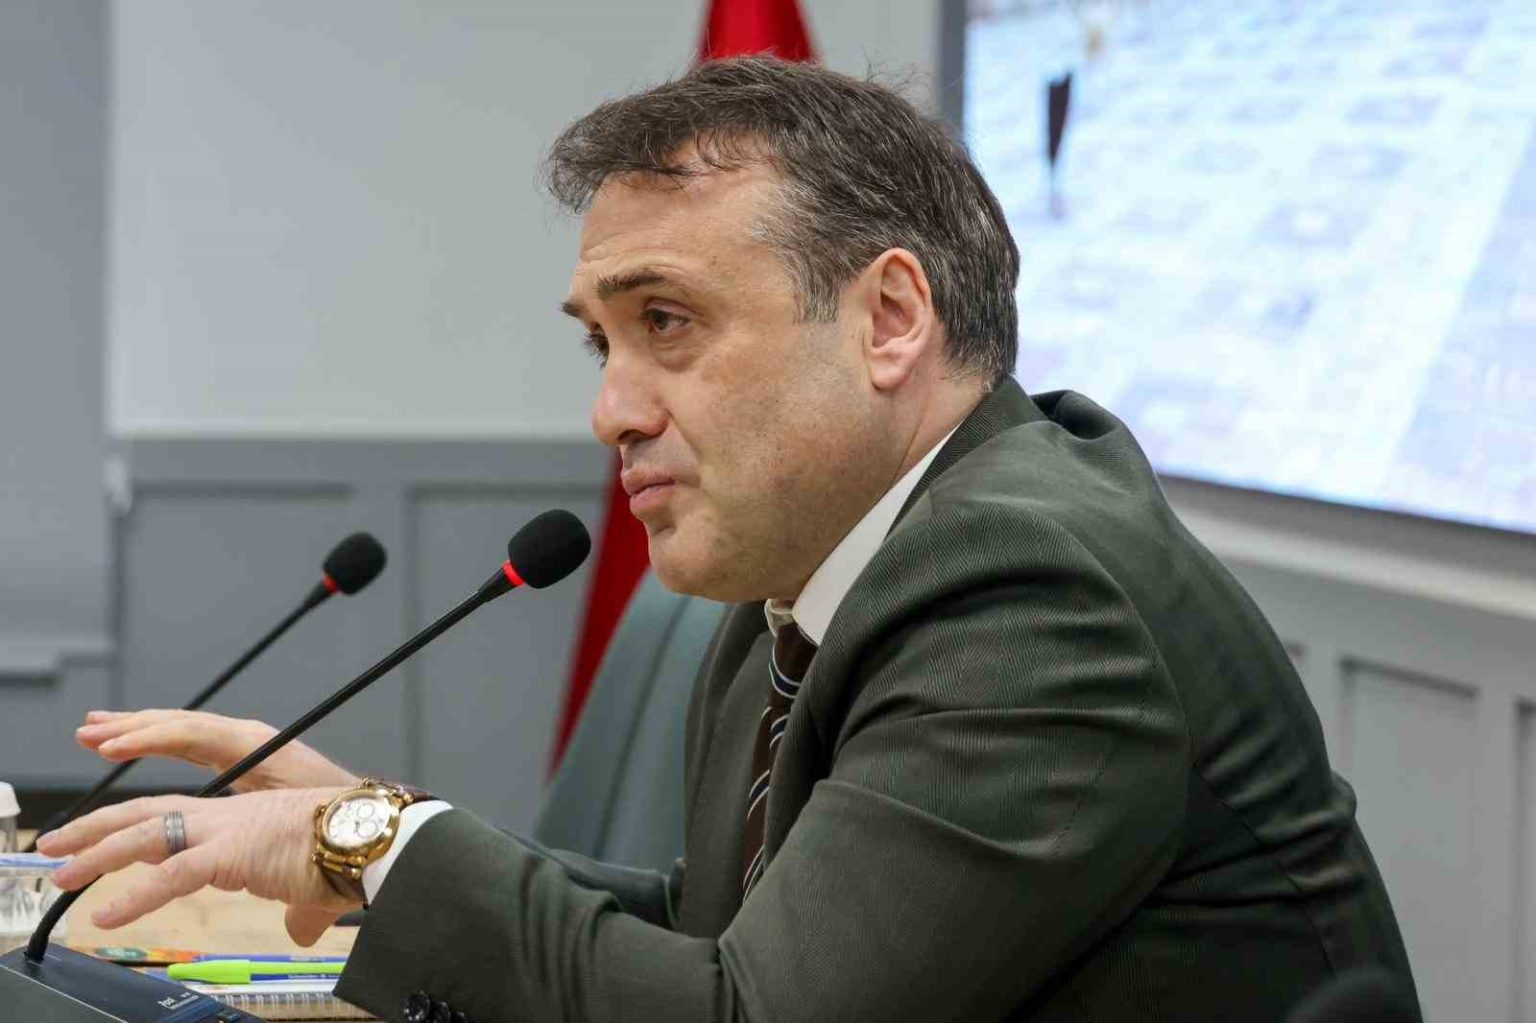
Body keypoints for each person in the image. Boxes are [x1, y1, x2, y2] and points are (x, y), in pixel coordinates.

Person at [37, 58, 1419, 1022]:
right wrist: (365, 832)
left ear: (890, 320)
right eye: (603, 343)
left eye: (669, 324)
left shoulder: (1034, 595)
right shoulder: (815, 572)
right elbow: (725, 932)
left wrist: (381, 849)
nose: (611, 409)